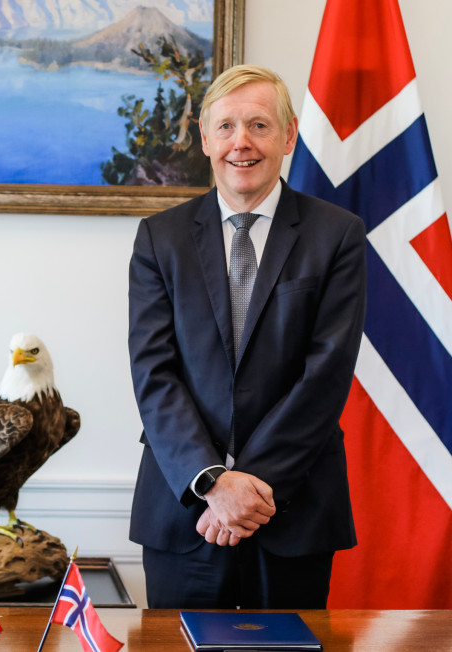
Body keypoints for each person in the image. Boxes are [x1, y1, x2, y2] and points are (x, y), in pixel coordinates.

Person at [127, 65, 366, 609]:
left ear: (288, 135)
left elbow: (326, 375)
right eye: (227, 126)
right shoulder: (159, 238)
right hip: (185, 508)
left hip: (293, 508)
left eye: (259, 125)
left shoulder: (337, 235)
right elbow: (153, 373)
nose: (242, 142)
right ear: (205, 138)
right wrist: (213, 482)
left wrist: (249, 489)